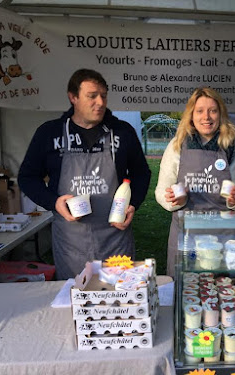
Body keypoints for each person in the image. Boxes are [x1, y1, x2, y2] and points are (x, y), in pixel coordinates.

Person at [18, 68, 151, 280]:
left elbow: (141, 173)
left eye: (103, 96)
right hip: (71, 241)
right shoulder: (50, 132)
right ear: (73, 97)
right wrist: (53, 202)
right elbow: (27, 177)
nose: (100, 102)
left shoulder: (122, 132)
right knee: (76, 299)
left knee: (117, 299)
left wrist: (133, 202)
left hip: (115, 236)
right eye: (92, 96)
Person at [155, 87, 235, 276]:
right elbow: (161, 191)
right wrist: (174, 200)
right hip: (186, 236)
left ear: (221, 114)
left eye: (213, 110)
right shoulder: (178, 144)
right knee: (186, 292)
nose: (207, 117)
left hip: (225, 237)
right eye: (200, 111)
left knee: (224, 293)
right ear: (191, 115)